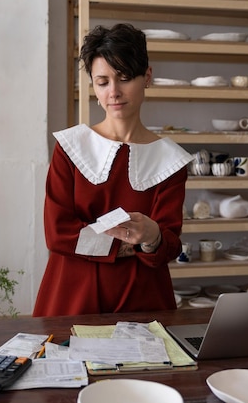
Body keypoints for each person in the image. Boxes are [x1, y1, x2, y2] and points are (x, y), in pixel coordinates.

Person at [33, 23, 193, 316]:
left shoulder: (170, 160)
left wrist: (154, 236)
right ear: (93, 86)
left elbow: (168, 246)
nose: (114, 92)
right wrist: (132, 245)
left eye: (125, 78)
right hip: (72, 297)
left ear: (147, 77)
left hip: (143, 300)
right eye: (103, 81)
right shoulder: (70, 147)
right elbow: (57, 234)